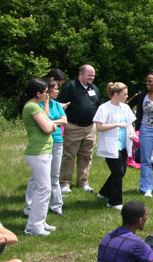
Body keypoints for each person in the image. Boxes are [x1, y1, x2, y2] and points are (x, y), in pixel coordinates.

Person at [19, 78, 57, 236]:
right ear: (38, 93)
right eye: (46, 92)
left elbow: (46, 118)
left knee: (42, 188)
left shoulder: (37, 106)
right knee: (43, 189)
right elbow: (47, 127)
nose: (48, 95)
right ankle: (33, 226)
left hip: (43, 151)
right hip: (38, 152)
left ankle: (40, 221)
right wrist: (53, 125)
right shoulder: (32, 107)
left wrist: (47, 104)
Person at [57, 64, 100, 193]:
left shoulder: (94, 89)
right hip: (73, 126)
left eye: (93, 76)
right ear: (81, 74)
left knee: (86, 156)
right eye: (89, 75)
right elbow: (60, 105)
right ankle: (65, 183)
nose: (91, 78)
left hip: (90, 128)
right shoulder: (70, 87)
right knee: (69, 156)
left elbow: (98, 105)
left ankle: (83, 182)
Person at [93, 82, 136, 211]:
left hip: (123, 145)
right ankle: (114, 202)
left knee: (121, 172)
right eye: (125, 94)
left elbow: (129, 123)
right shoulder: (104, 108)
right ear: (116, 94)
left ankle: (104, 192)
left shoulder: (125, 108)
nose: (126, 96)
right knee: (117, 172)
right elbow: (99, 127)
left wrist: (132, 133)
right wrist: (116, 125)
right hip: (111, 145)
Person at [36, 76, 67, 216]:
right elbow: (44, 120)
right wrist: (52, 122)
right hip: (43, 143)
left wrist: (51, 123)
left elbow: (64, 120)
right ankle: (31, 206)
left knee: (54, 174)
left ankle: (56, 205)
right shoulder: (38, 105)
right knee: (38, 177)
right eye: (55, 89)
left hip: (57, 141)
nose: (57, 92)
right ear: (47, 91)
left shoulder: (56, 104)